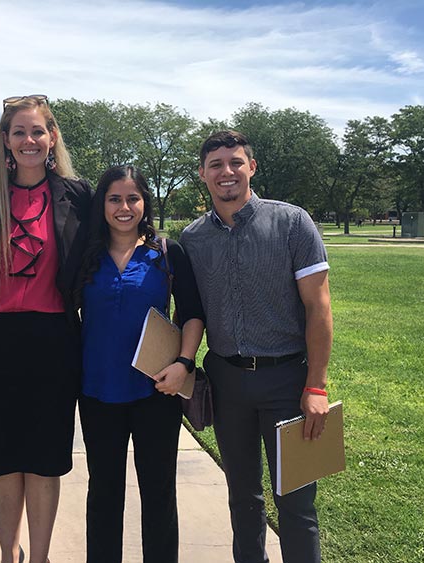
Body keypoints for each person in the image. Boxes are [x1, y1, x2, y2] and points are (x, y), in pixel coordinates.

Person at [179, 130, 333, 563]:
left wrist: (316, 386)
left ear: (251, 167)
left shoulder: (292, 222)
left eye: (235, 162)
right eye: (215, 165)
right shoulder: (192, 239)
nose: (226, 172)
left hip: (288, 380)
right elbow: (190, 311)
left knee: (297, 504)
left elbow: (319, 309)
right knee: (242, 498)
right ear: (203, 174)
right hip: (228, 383)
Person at [0, 95, 91, 563]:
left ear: (52, 137)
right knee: (4, 460)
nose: (29, 140)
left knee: (45, 458)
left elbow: (112, 243)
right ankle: (7, 554)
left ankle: (40, 557)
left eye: (38, 131)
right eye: (19, 132)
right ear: (5, 140)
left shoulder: (77, 194)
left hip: (54, 341)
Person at [76, 165, 204, 563]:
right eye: (114, 198)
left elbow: (193, 313)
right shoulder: (84, 256)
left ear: (144, 203)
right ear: (103, 204)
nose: (124, 207)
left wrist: (184, 363)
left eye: (133, 198)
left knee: (158, 490)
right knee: (104, 493)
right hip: (97, 391)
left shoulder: (166, 254)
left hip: (156, 391)